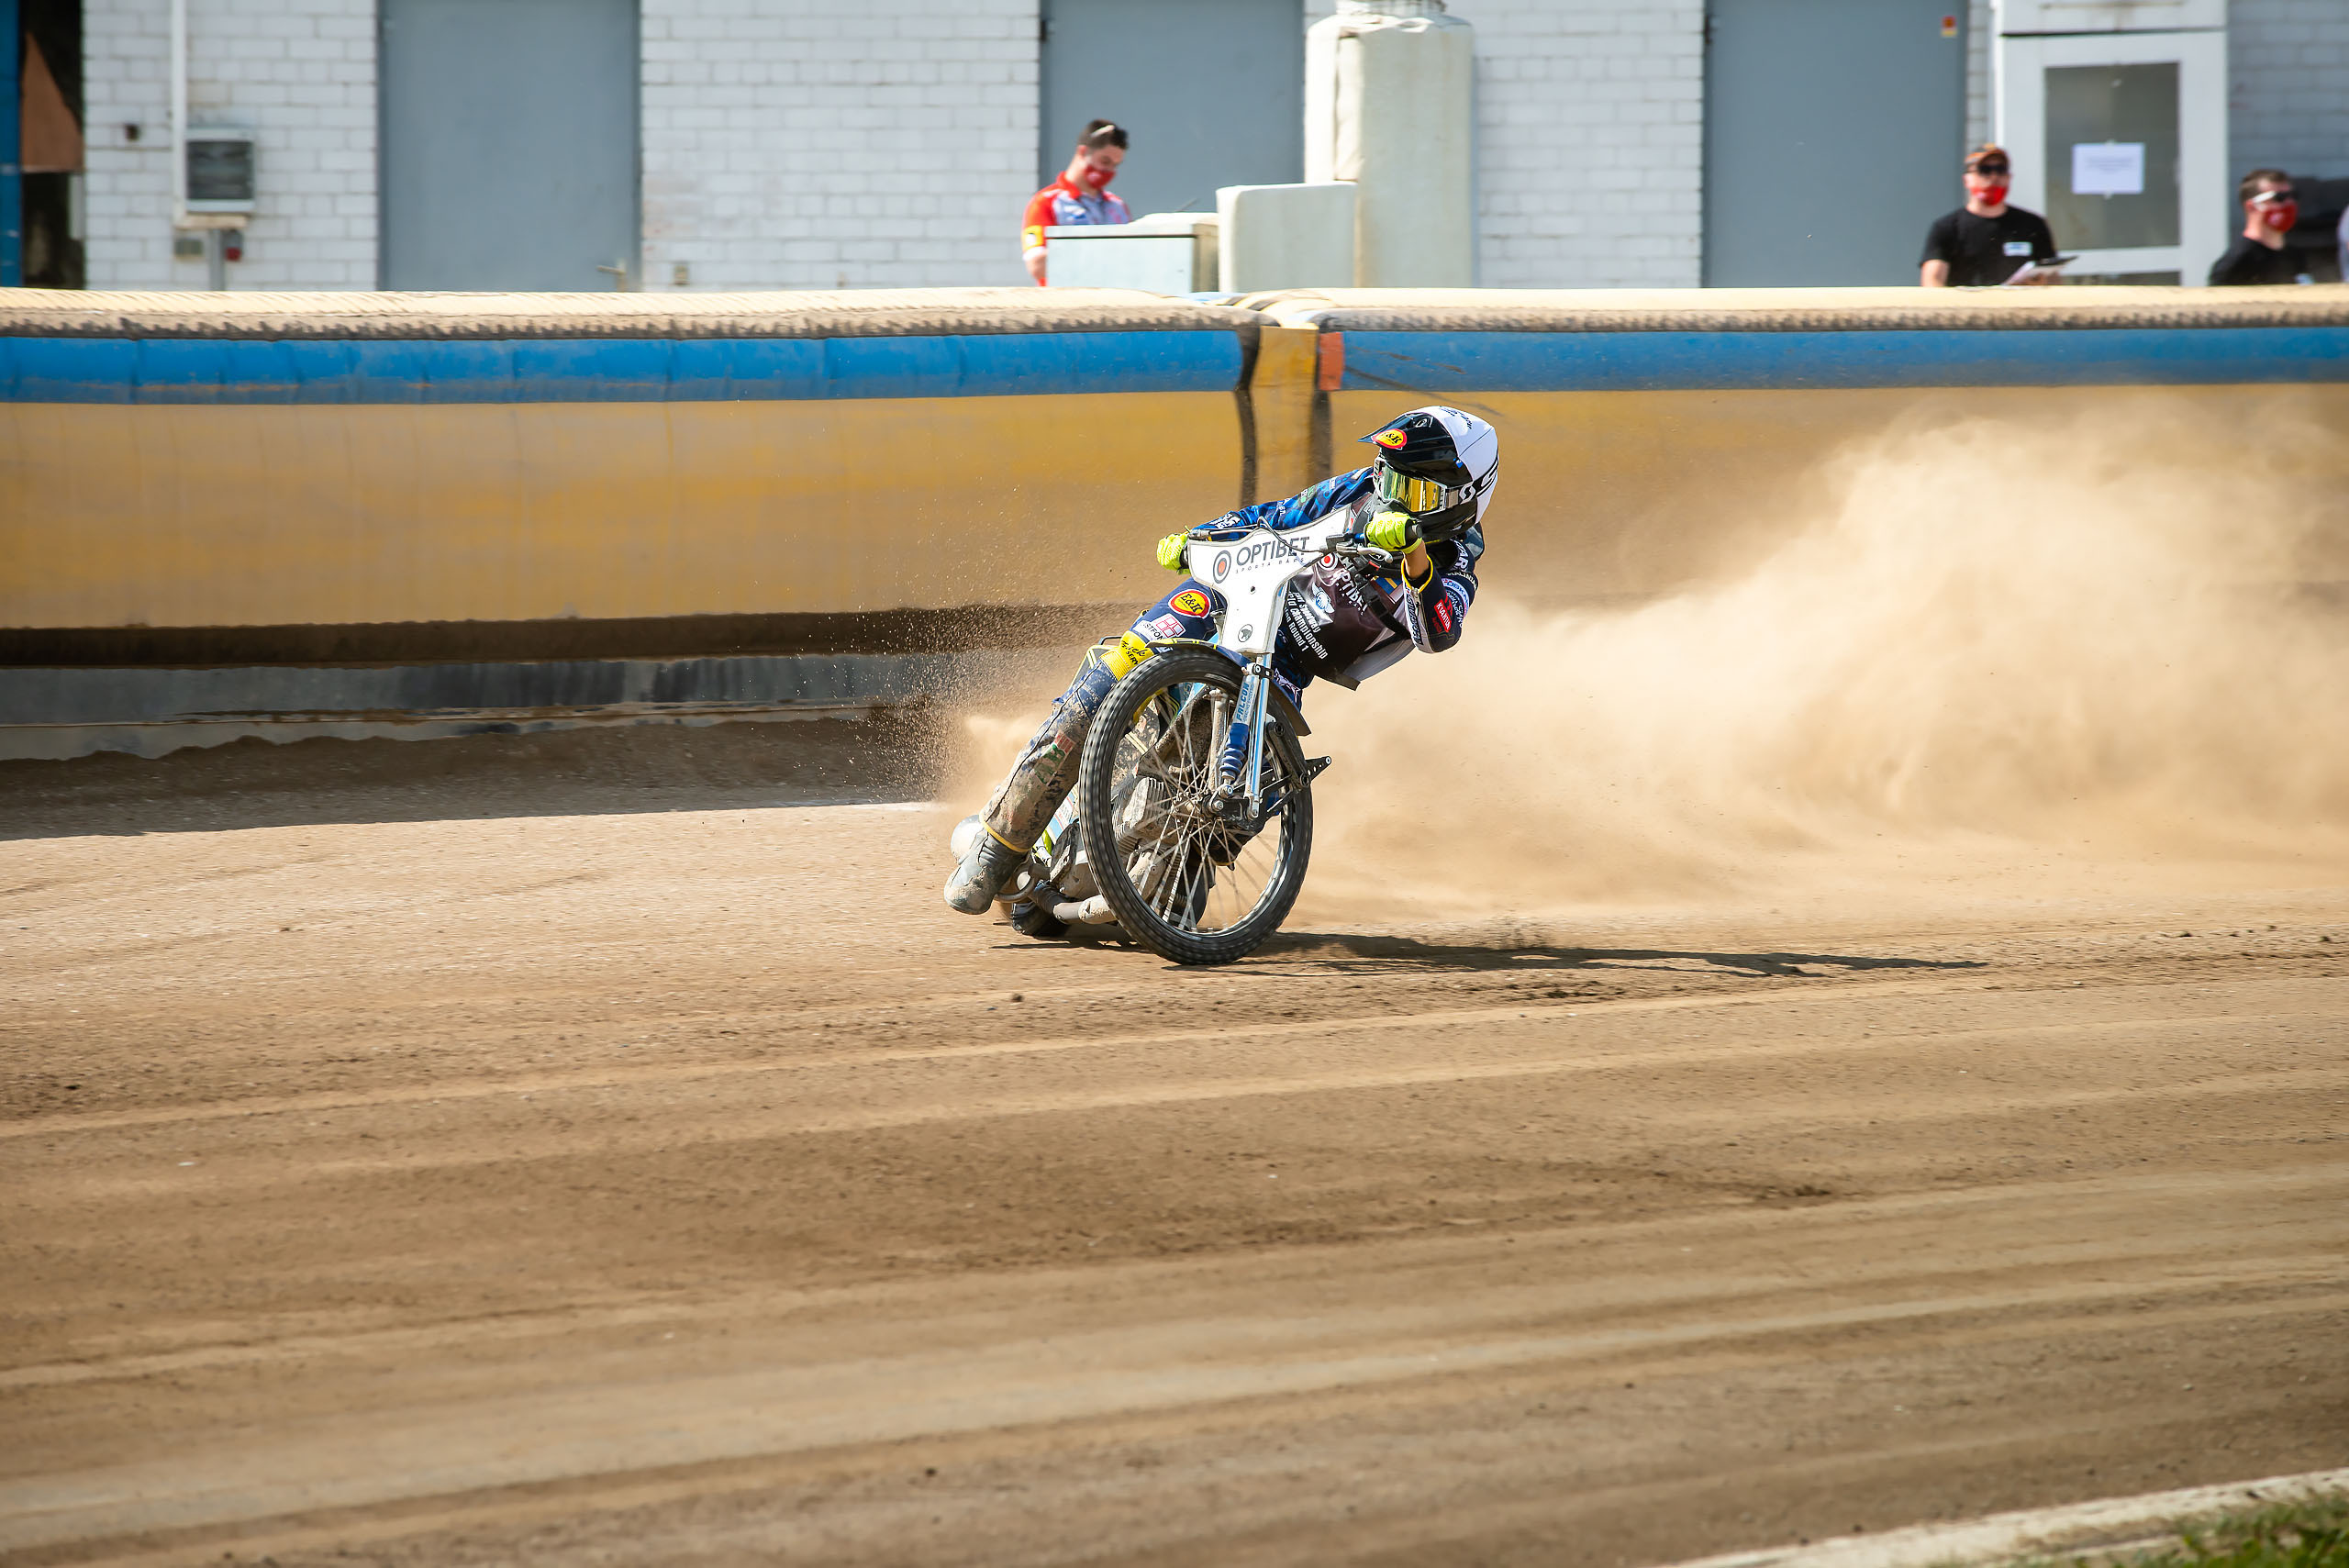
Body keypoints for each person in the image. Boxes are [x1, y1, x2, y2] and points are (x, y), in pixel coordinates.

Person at [943, 406, 1498, 917]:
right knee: (1106, 676)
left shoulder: (1457, 560)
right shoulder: (1358, 488)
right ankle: (997, 847)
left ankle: (1164, 882)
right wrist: (1201, 536)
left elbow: (1438, 632)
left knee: (1245, 788)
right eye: (1390, 477)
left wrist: (1414, 558)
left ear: (1465, 498)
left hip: (1284, 660)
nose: (1394, 496)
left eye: (1416, 491)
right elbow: (1279, 515)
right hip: (1232, 597)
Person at [1920, 145, 2059, 287]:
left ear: (2009, 177)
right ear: (1966, 179)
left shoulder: (2033, 224)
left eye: (2000, 170)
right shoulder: (1947, 227)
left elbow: (2053, 278)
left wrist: (2041, 285)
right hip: (1970, 307)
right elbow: (1932, 281)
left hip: (2019, 307)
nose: (1994, 177)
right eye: (1984, 170)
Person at [1023, 120, 1131, 286]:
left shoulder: (1118, 206)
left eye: (1115, 165)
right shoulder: (1046, 202)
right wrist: (1096, 249)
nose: (1109, 171)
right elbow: (1036, 266)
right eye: (1104, 161)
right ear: (1083, 152)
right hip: (1065, 306)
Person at [2210, 170, 2311, 286]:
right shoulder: (2236, 262)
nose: (2289, 203)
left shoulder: (2295, 256)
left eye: (2293, 196)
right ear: (2252, 206)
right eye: (2279, 198)